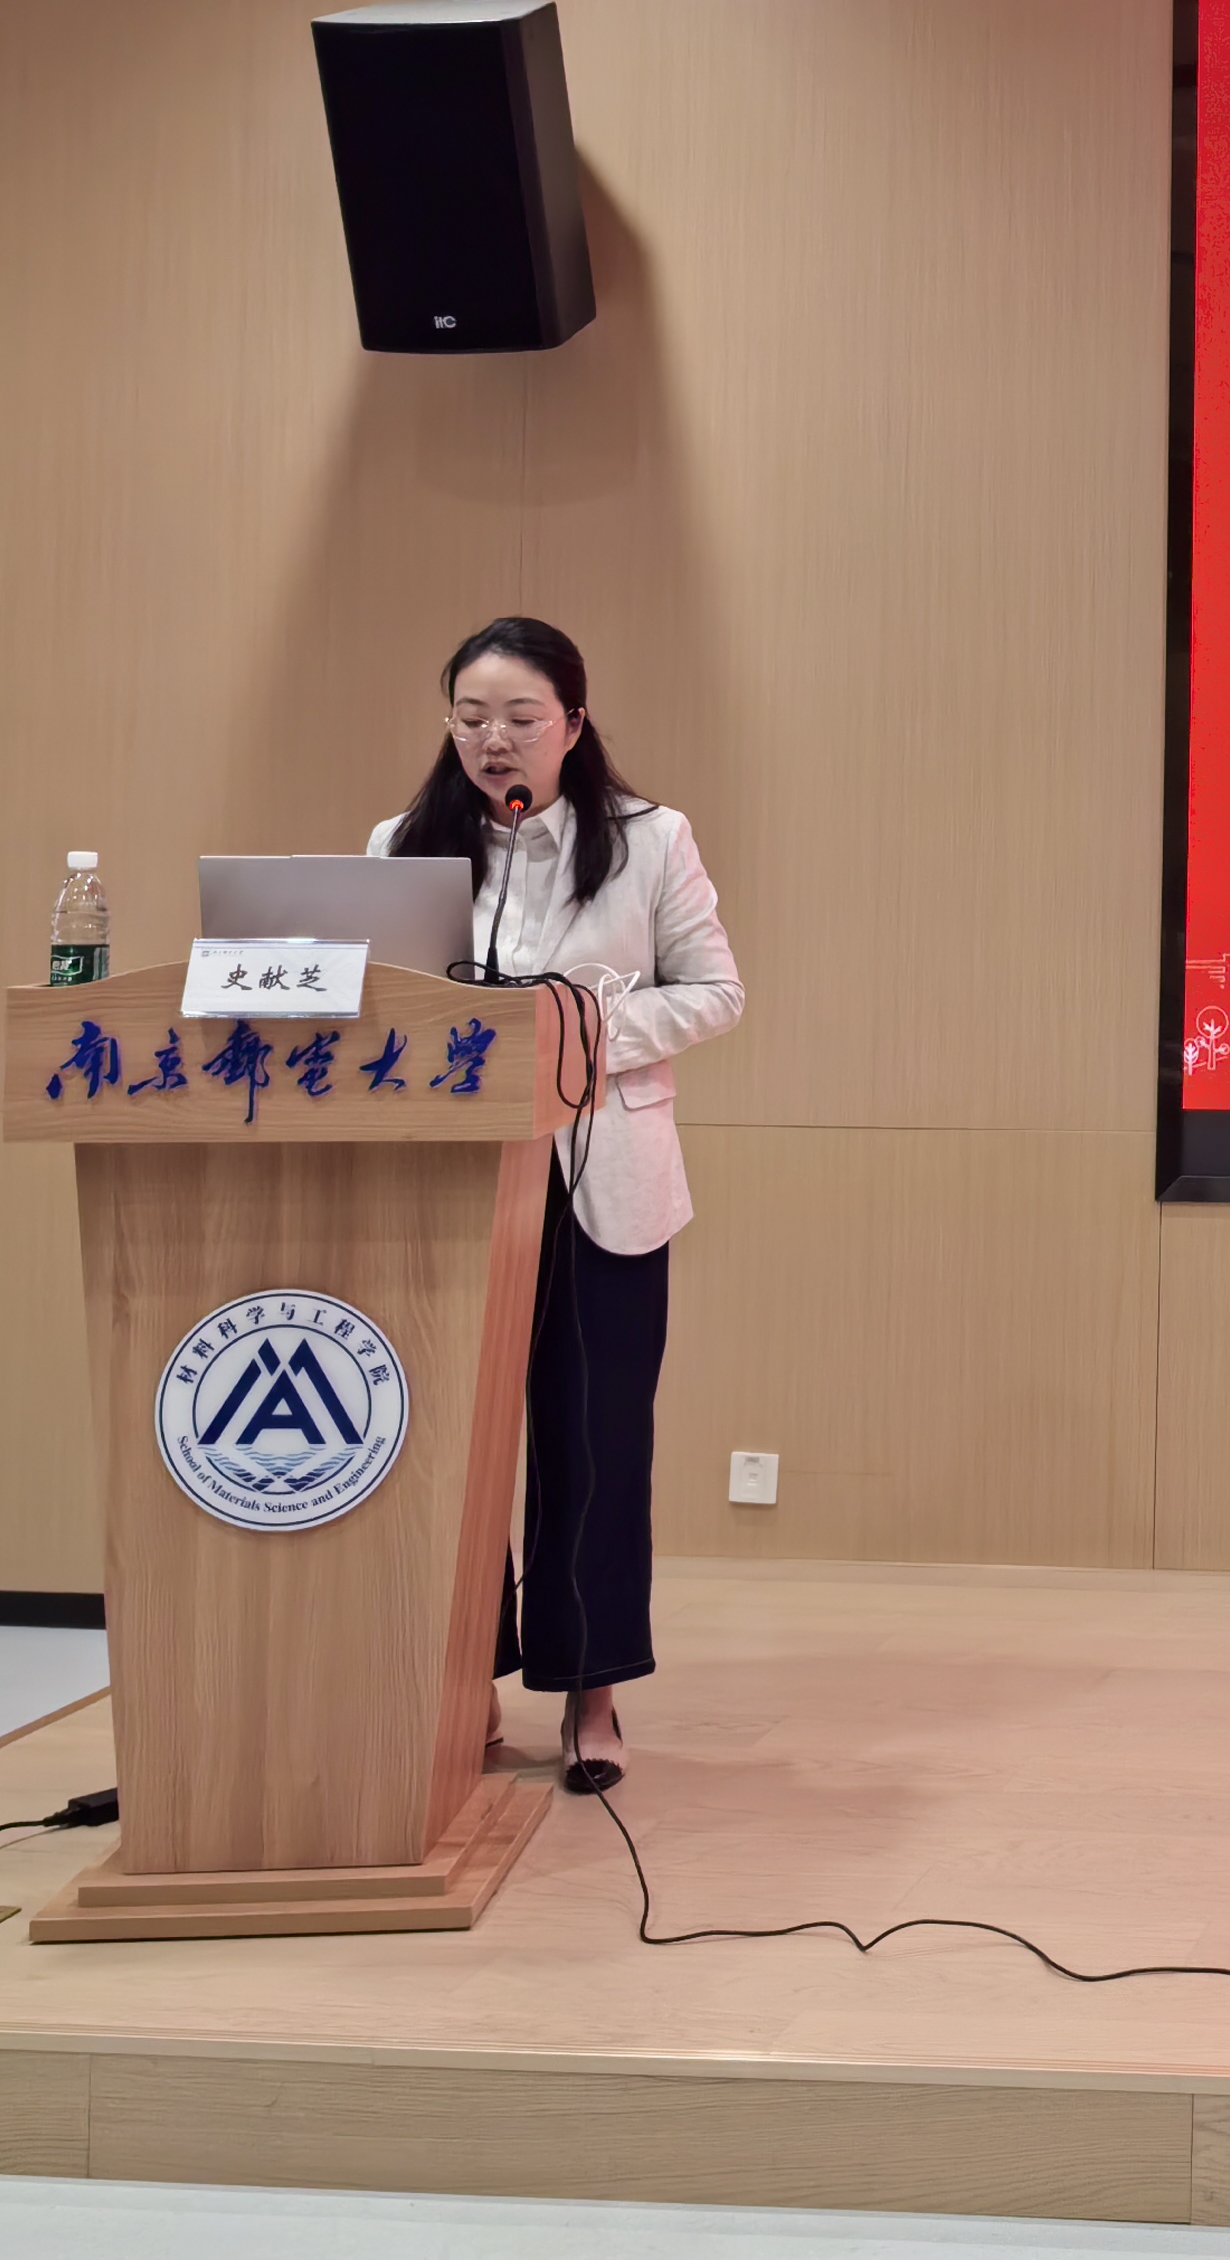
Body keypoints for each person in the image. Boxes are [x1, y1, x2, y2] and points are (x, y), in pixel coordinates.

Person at [374, 616, 742, 1795]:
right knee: (450, 1446)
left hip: (606, 1185)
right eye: (472, 718)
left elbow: (716, 992)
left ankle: (592, 1693)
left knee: (596, 1445)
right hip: (450, 1191)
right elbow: (377, 1006)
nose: (495, 740)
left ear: (573, 725)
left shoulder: (648, 840)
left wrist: (576, 1027)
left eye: (521, 718)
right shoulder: (403, 848)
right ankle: (462, 1688)